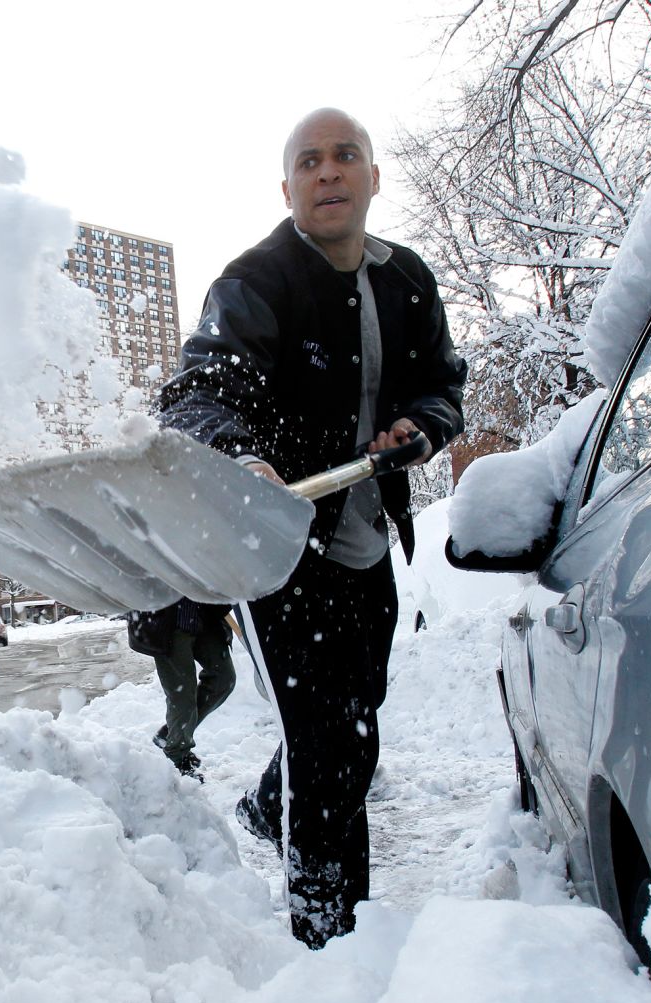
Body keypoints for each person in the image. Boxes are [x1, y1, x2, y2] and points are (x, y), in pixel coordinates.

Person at [157, 108, 467, 947]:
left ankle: (270, 804)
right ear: (286, 186)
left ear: (372, 177)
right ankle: (332, 942)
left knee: (356, 721)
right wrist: (241, 457)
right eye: (309, 161)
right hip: (280, 550)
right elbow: (196, 394)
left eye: (345, 157)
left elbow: (443, 384)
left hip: (366, 541)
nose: (328, 172)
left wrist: (423, 427)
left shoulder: (407, 280)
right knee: (326, 745)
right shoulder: (256, 282)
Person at [126, 599, 236, 781]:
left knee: (224, 680)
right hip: (167, 622)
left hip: (205, 614)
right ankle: (176, 757)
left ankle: (170, 734)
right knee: (182, 697)